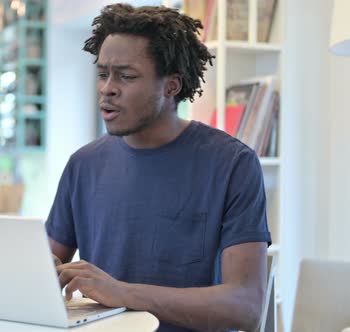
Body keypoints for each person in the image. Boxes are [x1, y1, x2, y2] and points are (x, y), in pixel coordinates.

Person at [46, 4, 271, 332]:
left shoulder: (233, 164)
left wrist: (123, 292)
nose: (107, 87)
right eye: (103, 73)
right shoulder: (83, 164)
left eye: (126, 76)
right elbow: (47, 267)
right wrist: (41, 273)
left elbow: (245, 307)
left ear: (171, 86)